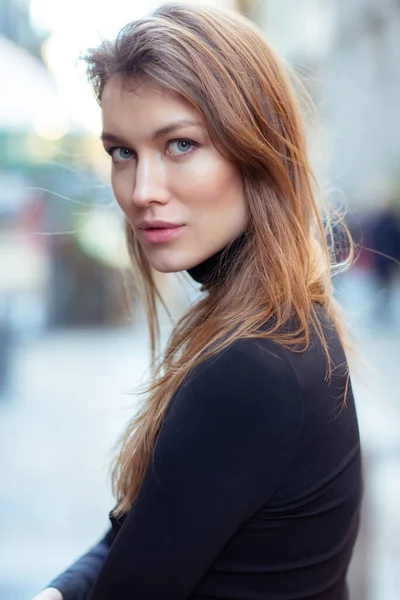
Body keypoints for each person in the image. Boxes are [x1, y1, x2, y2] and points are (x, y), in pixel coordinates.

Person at [32, 4, 362, 600]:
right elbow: (136, 531)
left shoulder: (253, 366)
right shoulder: (283, 323)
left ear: (258, 148)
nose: (141, 191)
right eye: (122, 152)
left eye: (180, 144)